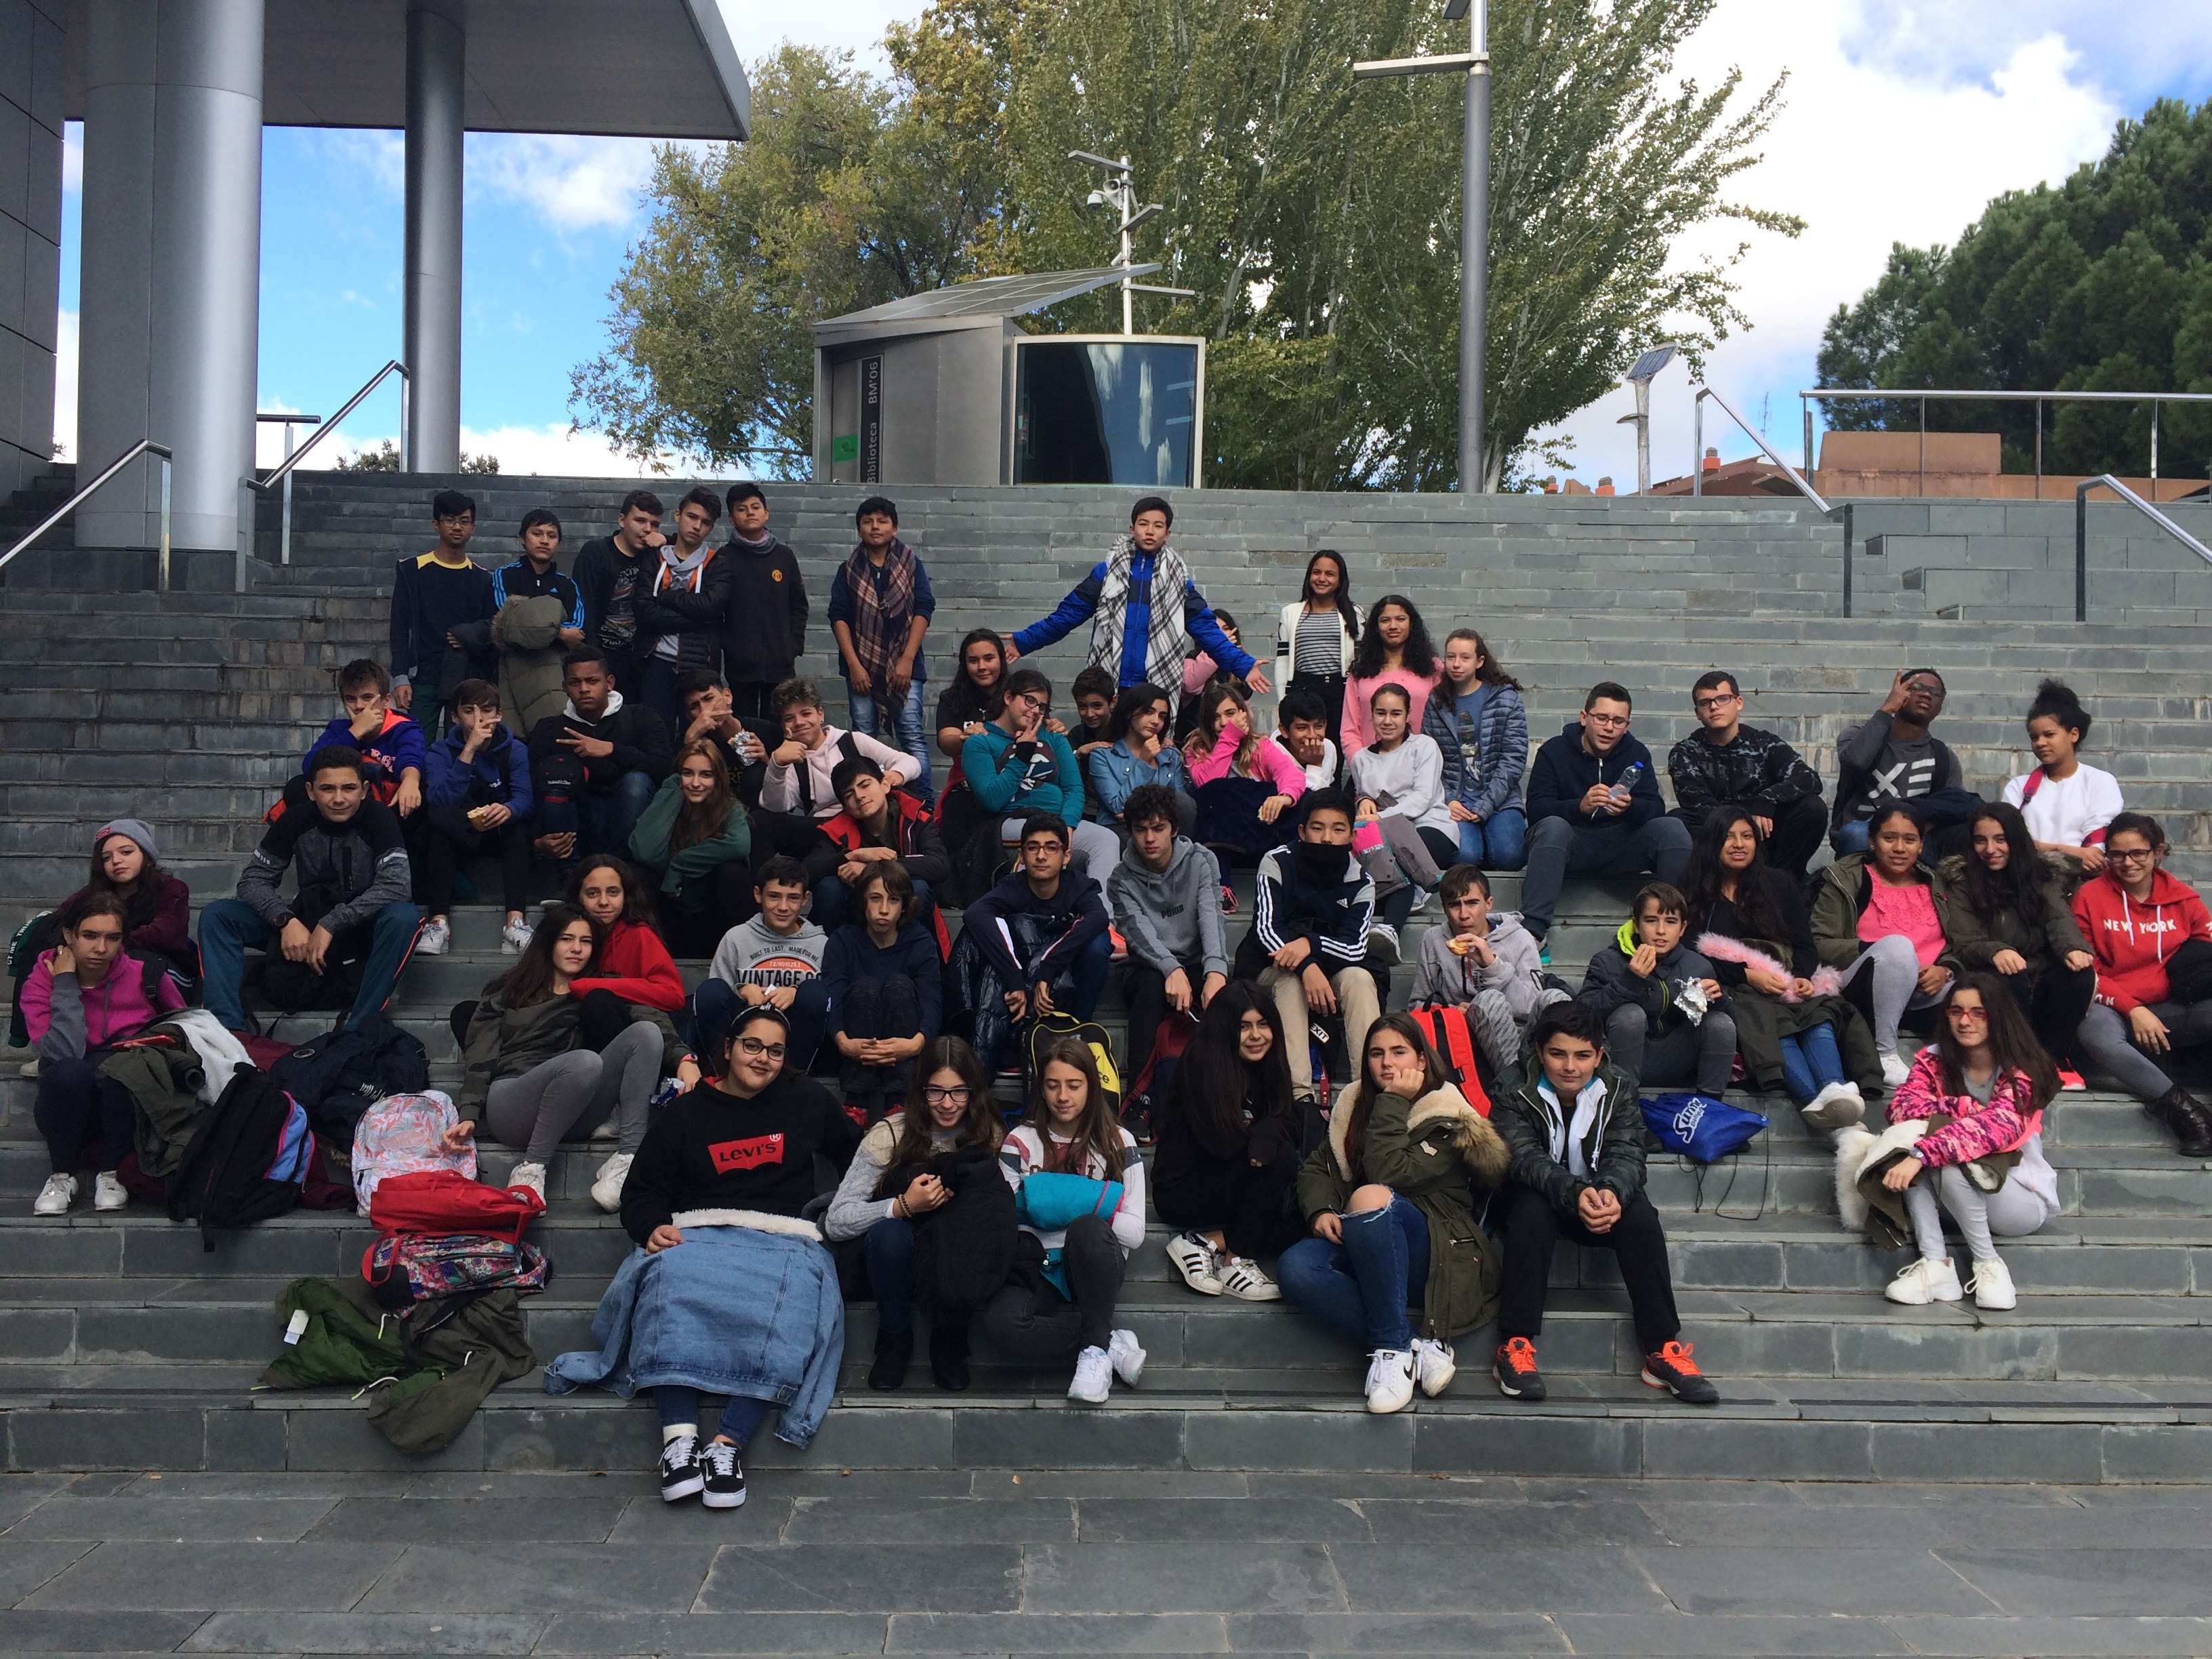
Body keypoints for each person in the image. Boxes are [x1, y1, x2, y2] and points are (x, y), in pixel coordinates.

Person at [606, 1004, 861, 1507]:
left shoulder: (808, 1100)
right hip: (698, 1233)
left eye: (775, 1051)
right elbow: (642, 1191)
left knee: (794, 1299)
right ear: (727, 1047)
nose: (763, 1058)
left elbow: (858, 1159)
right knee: (666, 1279)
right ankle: (679, 1441)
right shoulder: (684, 1114)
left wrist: (845, 1209)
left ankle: (727, 1445)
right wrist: (651, 1226)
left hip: (782, 1237)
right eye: (752, 1045)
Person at [1491, 1002, 1719, 1406]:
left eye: (1582, 1056)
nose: (1570, 1067)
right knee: (1530, 1213)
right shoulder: (1513, 1087)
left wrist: (1612, 1191)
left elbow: (1628, 1152)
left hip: (1598, 1197)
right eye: (1558, 1054)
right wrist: (1573, 1192)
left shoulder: (1619, 1087)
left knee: (1640, 1218)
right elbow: (1522, 1158)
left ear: (1599, 1055)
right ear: (1540, 1051)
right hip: (1536, 1197)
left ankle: (1662, 1349)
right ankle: (1515, 1343)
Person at [1279, 1014, 1507, 1413]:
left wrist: (1393, 1102)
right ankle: (1411, 1343)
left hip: (1435, 1251)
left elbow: (1391, 1173)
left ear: (1421, 1059)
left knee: (1370, 1196)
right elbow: (1318, 1168)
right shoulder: (1354, 1104)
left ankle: (1389, 1352)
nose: (1387, 1063)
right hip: (1366, 1242)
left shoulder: (1447, 1115)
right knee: (1296, 1268)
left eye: (1399, 1052)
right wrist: (1321, 1209)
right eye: (1376, 1053)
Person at [454, 903, 695, 1209]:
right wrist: (469, 1113)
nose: (577, 949)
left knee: (645, 1032)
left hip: (577, 1109)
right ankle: (530, 1170)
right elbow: (480, 1055)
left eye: (586, 941)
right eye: (567, 939)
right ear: (548, 942)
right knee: (585, 1061)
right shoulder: (509, 990)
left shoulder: (600, 984)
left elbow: (653, 1018)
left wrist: (685, 1059)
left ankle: (628, 1161)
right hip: (513, 1102)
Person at [198, 746, 421, 1036]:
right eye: (327, 789)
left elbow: (397, 886)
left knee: (404, 917)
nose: (339, 798)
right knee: (219, 915)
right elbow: (253, 879)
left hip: (361, 926)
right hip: (304, 922)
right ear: (311, 791)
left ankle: (361, 1026)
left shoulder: (379, 819)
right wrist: (284, 920)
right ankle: (225, 1027)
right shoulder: (295, 820)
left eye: (349, 788)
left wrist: (332, 923)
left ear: (365, 790)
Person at [823, 1036, 1003, 1391]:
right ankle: (895, 1338)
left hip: (959, 1256)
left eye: (959, 1092)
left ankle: (950, 1338)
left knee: (971, 1225)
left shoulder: (989, 1135)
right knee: (889, 1235)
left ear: (974, 1093)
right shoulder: (889, 1135)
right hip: (895, 1258)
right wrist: (902, 1206)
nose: (947, 1104)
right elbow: (837, 1219)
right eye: (936, 1092)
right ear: (921, 1091)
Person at [1875, 976, 2060, 1311]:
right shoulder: (1932, 1061)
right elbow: (1901, 1110)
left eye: (1978, 1013)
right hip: (1954, 1196)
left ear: (1997, 1016)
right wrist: (1963, 1108)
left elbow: (1996, 1129)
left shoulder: (2023, 1069)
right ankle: (1936, 1266)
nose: (1965, 1021)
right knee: (1914, 1143)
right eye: (1956, 1011)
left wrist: (1924, 1152)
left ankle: (1989, 1265)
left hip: (2018, 1197)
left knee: (1941, 1157)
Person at [1681, 808, 1868, 1130]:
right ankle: (1824, 1111)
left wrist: (1802, 977)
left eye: (1747, 836)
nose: (1739, 844)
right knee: (1774, 1026)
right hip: (1738, 990)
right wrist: (1746, 975)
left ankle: (1834, 1091)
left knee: (1818, 1018)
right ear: (1712, 843)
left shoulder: (1779, 884)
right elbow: (1688, 952)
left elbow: (1805, 944)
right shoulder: (1693, 891)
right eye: (1728, 837)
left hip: (1786, 981)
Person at [985, 1037, 1148, 1405]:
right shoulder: (1019, 1140)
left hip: (1093, 1264)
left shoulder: (1119, 1141)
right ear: (1040, 1088)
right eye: (1052, 1085)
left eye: (1074, 1085)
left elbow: (1135, 1232)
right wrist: (1098, 1200)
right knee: (1000, 1325)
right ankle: (1103, 1343)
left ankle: (1095, 1348)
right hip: (1036, 1265)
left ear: (1091, 1086)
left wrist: (1050, 1201)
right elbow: (1008, 1217)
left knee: (1087, 1230)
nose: (1063, 1096)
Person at [1006, 495, 1264, 718]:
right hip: (1110, 682)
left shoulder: (1179, 578)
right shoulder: (1108, 571)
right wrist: (1025, 641)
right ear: (1132, 529)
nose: (1150, 531)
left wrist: (1242, 665)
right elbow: (1069, 614)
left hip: (1155, 684)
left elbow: (1206, 629)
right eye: (1143, 524)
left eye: (1158, 526)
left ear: (1167, 534)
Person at [25, 893, 185, 1214]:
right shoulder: (43, 978)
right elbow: (65, 1051)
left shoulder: (147, 975)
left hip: (128, 1105)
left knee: (122, 1069)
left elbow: (184, 1030)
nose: (101, 948)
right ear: (69, 935)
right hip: (67, 1104)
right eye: (90, 936)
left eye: (112, 938)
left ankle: (112, 1173)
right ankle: (63, 1175)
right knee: (67, 1071)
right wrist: (65, 983)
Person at [2070, 812, 2212, 1154]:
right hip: (2110, 1004)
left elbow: (2205, 954)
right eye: (2117, 854)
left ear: (2157, 852)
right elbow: (2087, 969)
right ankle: (2190, 1115)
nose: (2128, 863)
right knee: (2097, 1035)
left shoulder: (2184, 900)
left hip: (2171, 1007)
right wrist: (2133, 1009)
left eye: (2138, 853)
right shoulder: (2089, 897)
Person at [1155, 983, 1307, 1302]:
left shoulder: (1268, 1063)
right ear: (1225, 1028)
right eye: (1244, 1026)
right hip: (1184, 1190)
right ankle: (1236, 1260)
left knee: (1306, 1221)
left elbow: (1290, 1120)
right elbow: (1223, 1144)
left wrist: (1268, 1131)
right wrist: (1267, 1137)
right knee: (1281, 1159)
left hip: (1238, 1179)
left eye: (1263, 1024)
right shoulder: (1201, 1063)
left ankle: (1206, 1242)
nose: (1256, 1035)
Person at [1520, 682, 1690, 949]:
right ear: (1584, 717)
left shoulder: (1637, 753)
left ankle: (1680, 931)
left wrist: (1630, 807)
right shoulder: (1554, 752)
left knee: (1673, 829)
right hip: (1571, 842)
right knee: (1552, 827)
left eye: (1618, 721)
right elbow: (1536, 811)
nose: (1609, 728)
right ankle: (1532, 933)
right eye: (1602, 718)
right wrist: (1579, 807)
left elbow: (1655, 808)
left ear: (1627, 725)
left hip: (1621, 844)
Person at [1244, 790, 1382, 1107]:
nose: (1327, 838)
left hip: (1332, 973)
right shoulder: (1277, 862)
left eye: (1338, 829)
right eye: (1318, 828)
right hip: (1272, 968)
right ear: (1302, 831)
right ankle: (1298, 1097)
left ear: (1352, 835)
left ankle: (1369, 1095)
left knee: (1360, 979)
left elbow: (1355, 947)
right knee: (1291, 984)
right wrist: (1306, 967)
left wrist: (1311, 944)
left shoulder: (1362, 882)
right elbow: (1267, 932)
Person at [11, 819, 194, 1056]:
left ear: (147, 856)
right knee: (46, 928)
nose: (116, 861)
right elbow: (62, 922)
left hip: (166, 970)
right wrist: (66, 952)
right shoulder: (95, 894)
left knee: (130, 959)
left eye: (126, 852)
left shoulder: (171, 889)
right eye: (107, 858)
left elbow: (164, 935)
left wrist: (109, 942)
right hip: (112, 968)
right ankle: (44, 1038)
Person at [1944, 802, 2096, 1080]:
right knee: (2005, 978)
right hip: (1990, 970)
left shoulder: (2042, 875)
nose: (1990, 849)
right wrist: (1996, 951)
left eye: (2000, 839)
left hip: (2037, 967)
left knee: (2078, 974)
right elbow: (1965, 941)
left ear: (2016, 839)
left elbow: (2058, 919)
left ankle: (2054, 1057)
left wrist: (2073, 948)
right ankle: (2017, 1058)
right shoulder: (1962, 880)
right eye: (1981, 840)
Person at [1811, 804, 1959, 1086]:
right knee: (1898, 948)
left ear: (1921, 845)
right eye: (1889, 838)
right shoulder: (1846, 878)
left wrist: (1945, 970)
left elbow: (1958, 941)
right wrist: (1873, 950)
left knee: (1984, 986)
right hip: (1865, 987)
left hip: (1925, 993)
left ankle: (1961, 1063)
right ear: (1872, 841)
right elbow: (1820, 942)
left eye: (1910, 840)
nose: (1899, 848)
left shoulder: (1936, 884)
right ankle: (1885, 1053)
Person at [954, 815, 1113, 1068]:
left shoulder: (1078, 885)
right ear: (1021, 855)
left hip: (1062, 968)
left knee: (1098, 944)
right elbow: (975, 914)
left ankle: (1078, 1024)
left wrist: (1048, 968)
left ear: (1066, 856)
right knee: (978, 934)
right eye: (1033, 848)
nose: (1041, 856)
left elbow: (1099, 918)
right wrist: (1014, 978)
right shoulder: (1013, 886)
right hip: (1022, 974)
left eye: (1051, 848)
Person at [1108, 785, 1229, 1113]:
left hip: (1195, 960)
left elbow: (1210, 916)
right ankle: (1140, 1101)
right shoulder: (1120, 879)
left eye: (1158, 828)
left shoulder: (1202, 860)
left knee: (1226, 996)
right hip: (1147, 966)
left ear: (1174, 829)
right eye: (1140, 829)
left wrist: (1216, 971)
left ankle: (1226, 1097)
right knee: (1149, 988)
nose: (1149, 838)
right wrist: (1171, 968)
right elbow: (1139, 934)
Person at [960, 669, 1120, 912]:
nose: (1035, 710)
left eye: (1042, 706)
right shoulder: (981, 742)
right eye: (1029, 700)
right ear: (1008, 697)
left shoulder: (1053, 737)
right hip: (1010, 821)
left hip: (1057, 820)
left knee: (1106, 840)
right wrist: (1022, 755)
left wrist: (1067, 823)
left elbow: (1074, 788)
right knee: (1039, 842)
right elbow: (991, 799)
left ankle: (1102, 922)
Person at [1666, 669, 1826, 882]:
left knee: (1812, 807)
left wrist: (1767, 799)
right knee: (1676, 820)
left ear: (1738, 702)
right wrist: (1743, 826)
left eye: (1722, 699)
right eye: (1705, 703)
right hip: (1719, 839)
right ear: (1697, 713)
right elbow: (1698, 803)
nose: (1714, 707)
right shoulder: (1684, 753)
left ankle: (1783, 882)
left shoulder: (1764, 743)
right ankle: (1707, 886)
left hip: (1768, 840)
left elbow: (1809, 778)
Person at [413, 680, 535, 958]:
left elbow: (525, 797)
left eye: (487, 710)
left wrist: (509, 810)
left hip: (499, 830)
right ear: (455, 717)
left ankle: (515, 923)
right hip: (458, 831)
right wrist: (467, 752)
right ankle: (438, 923)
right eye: (469, 711)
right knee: (438, 824)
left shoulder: (515, 749)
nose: (479, 719)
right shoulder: (441, 751)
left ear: (499, 715)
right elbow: (439, 798)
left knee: (518, 827)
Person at [1408, 864, 1565, 1080]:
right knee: (1488, 1000)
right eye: (1454, 905)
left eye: (1472, 903)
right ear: (1444, 908)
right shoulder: (1433, 939)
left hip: (1522, 1033)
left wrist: (1491, 966)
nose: (1464, 915)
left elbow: (1531, 1005)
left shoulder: (1519, 937)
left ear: (1488, 904)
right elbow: (1418, 1005)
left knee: (1557, 998)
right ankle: (1514, 1086)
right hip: (1465, 1035)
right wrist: (1453, 1012)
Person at [1577, 883, 1735, 1097]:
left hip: (1679, 1058)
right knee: (1630, 1015)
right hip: (1621, 1060)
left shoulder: (1699, 966)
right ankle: (1624, 1103)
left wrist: (1720, 1000)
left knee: (1721, 1023)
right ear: (1636, 925)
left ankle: (1708, 1106)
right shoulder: (1608, 961)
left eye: (1671, 922)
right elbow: (1582, 1017)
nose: (1661, 930)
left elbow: (1730, 1025)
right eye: (1651, 921)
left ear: (1682, 928)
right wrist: (1629, 981)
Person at [829, 495, 937, 804]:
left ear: (895, 528)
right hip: (861, 667)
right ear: (859, 529)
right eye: (868, 521)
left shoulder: (911, 565)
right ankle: (872, 805)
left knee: (912, 735)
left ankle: (925, 809)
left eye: (882, 521)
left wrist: (907, 660)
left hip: (906, 665)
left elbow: (924, 608)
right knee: (864, 737)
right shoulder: (848, 570)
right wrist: (855, 666)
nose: (875, 526)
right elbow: (838, 616)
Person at [529, 648, 675, 871]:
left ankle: (616, 871)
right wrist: (536, 840)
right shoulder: (549, 729)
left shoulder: (641, 717)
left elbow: (665, 768)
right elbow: (531, 786)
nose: (584, 689)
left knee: (636, 782)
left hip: (628, 815)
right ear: (565, 687)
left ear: (609, 683)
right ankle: (571, 873)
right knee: (555, 774)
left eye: (592, 681)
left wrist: (613, 750)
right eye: (575, 682)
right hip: (578, 816)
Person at [822, 863, 943, 1122]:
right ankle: (857, 1105)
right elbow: (833, 996)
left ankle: (898, 1103)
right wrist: (842, 1041)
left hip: (906, 1048)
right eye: (875, 898)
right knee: (865, 988)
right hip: (853, 1046)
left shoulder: (920, 941)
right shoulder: (843, 940)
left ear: (905, 905)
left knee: (899, 986)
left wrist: (916, 1043)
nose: (884, 909)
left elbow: (932, 1000)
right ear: (862, 902)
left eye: (894, 900)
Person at [699, 857, 828, 1075]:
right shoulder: (736, 938)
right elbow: (716, 998)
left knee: (815, 992)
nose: (783, 907)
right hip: (744, 1031)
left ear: (805, 899)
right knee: (710, 990)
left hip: (794, 1036)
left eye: (793, 898)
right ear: (758, 895)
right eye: (774, 896)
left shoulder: (822, 945)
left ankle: (794, 1077)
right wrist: (742, 991)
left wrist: (797, 993)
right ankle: (724, 1075)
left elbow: (828, 1005)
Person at [1830, 669, 1979, 855]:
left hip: (1916, 835)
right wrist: (1888, 708)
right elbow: (1856, 762)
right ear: (1899, 693)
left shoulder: (1943, 757)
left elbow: (1952, 806)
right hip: (1865, 831)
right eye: (1917, 687)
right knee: (1856, 834)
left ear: (1940, 707)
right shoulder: (1856, 736)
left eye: (1935, 693)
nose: (1926, 695)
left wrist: (1912, 833)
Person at [628, 740, 753, 958]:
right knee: (639, 874)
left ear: (718, 778)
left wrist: (680, 864)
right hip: (669, 915)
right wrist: (672, 790)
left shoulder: (731, 809)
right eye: (687, 773)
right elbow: (645, 851)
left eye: (706, 775)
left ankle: (739, 957)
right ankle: (648, 958)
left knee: (733, 872)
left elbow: (739, 845)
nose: (695, 783)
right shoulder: (669, 803)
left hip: (711, 917)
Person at [1349, 682, 1456, 932]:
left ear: (1408, 716)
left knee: (1395, 857)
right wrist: (1363, 800)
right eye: (1381, 713)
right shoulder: (1361, 759)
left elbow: (1422, 799)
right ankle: (1390, 929)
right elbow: (1364, 795)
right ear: (1371, 715)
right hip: (1384, 837)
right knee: (1388, 858)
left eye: (1396, 713)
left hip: (1429, 827)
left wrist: (1379, 817)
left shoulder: (1424, 746)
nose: (1388, 721)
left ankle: (1390, 926)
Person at [1422, 629, 1528, 871]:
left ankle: (1489, 843)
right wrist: (1448, 799)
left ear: (1480, 661)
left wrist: (1485, 806)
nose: (1456, 664)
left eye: (1465, 658)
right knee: (1465, 856)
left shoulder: (1505, 699)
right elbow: (1429, 760)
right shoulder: (1436, 702)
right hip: (1456, 801)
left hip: (1500, 800)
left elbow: (1513, 759)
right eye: (1451, 657)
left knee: (1510, 857)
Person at [630, 486, 732, 739]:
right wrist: (697, 618)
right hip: (656, 660)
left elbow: (710, 607)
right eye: (692, 517)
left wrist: (666, 597)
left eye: (705, 522)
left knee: (700, 738)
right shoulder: (654, 559)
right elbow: (644, 612)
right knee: (656, 735)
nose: (697, 526)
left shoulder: (718, 564)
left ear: (711, 528)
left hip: (699, 663)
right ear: (678, 515)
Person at [809, 755, 951, 933]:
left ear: (885, 785)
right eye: (849, 794)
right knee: (829, 888)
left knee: (919, 888)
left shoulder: (916, 817)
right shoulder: (838, 827)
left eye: (865, 785)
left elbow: (939, 865)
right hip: (855, 911)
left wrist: (871, 867)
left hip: (900, 905)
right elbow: (808, 871)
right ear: (845, 806)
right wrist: (852, 855)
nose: (859, 796)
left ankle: (912, 949)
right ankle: (833, 948)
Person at [476, 508, 584, 737]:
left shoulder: (567, 584)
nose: (545, 541)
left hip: (554, 671)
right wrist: (557, 633)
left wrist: (536, 628)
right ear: (522, 539)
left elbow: (576, 628)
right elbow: (507, 621)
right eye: (537, 533)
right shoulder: (504, 576)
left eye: (552, 536)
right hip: (512, 668)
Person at [388, 489, 493, 727]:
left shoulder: (482, 578)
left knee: (461, 744)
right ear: (436, 524)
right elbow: (400, 626)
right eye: (450, 520)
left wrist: (468, 635)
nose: (457, 527)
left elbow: (491, 626)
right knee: (417, 743)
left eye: (464, 521)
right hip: (421, 677)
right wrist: (400, 676)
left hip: (464, 677)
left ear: (473, 528)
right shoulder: (412, 570)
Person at [2002, 678, 2123, 876]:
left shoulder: (2100, 782)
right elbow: (2009, 841)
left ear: (2074, 734)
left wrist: (2037, 847)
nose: (2040, 743)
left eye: (2049, 734)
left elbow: (2095, 852)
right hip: (2029, 880)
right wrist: (2066, 851)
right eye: (2034, 737)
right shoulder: (2017, 787)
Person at [760, 676, 916, 823]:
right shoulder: (788, 762)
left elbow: (911, 762)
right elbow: (774, 806)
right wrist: (777, 765)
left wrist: (894, 776)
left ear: (820, 715)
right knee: (762, 821)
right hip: (824, 829)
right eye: (789, 718)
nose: (799, 722)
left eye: (806, 714)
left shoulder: (852, 741)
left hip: (866, 821)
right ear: (783, 725)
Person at [719, 482, 808, 720]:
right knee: (744, 727)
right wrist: (732, 647)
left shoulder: (784, 556)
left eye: (756, 507)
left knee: (780, 725)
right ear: (731, 518)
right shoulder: (724, 559)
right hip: (741, 666)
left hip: (780, 663)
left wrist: (793, 646)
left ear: (766, 513)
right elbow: (716, 612)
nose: (750, 513)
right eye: (742, 509)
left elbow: (799, 606)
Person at [1187, 680, 1305, 859]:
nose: (1223, 723)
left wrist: (1285, 797)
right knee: (1218, 791)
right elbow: (1208, 785)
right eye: (1215, 717)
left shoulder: (1260, 745)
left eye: (1230, 714)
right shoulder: (1196, 749)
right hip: (1220, 831)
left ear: (1243, 714)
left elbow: (1289, 772)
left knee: (1305, 798)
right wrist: (1230, 737)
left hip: (1258, 823)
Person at [302, 659, 425, 818]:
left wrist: (410, 781)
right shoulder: (339, 729)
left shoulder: (404, 728)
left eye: (367, 698)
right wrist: (355, 732)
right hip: (347, 803)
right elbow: (310, 767)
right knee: (298, 787)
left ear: (386, 701)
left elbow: (412, 756)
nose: (359, 706)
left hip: (392, 806)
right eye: (351, 699)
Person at [573, 489, 665, 701]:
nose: (647, 530)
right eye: (640, 521)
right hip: (604, 656)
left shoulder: (656, 556)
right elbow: (585, 606)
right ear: (622, 520)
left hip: (641, 661)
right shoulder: (596, 553)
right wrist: (593, 662)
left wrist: (666, 543)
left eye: (654, 524)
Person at [565, 856, 686, 1015]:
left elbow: (673, 995)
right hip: (566, 1022)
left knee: (599, 1001)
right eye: (592, 893)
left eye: (613, 892)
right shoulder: (563, 931)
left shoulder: (639, 934)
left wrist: (587, 986)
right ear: (578, 897)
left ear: (626, 896)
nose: (603, 902)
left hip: (622, 1022)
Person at [933, 628, 1010, 856]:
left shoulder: (1018, 695)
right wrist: (965, 737)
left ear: (1001, 659)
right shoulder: (951, 698)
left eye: (989, 658)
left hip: (1012, 784)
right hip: (966, 787)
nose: (982, 667)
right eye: (973, 661)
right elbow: (946, 741)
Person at [1274, 549, 1361, 741]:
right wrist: (1283, 700)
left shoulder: (1355, 613)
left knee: (1336, 748)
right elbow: (1283, 659)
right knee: (1303, 747)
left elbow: (1362, 659)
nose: (1322, 579)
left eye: (1330, 574)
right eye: (1317, 572)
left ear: (1340, 581)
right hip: (1302, 688)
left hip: (1339, 691)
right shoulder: (1290, 613)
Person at [1340, 594, 1439, 760]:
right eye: (1385, 620)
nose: (1393, 626)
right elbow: (1349, 730)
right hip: (1371, 766)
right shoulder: (1360, 673)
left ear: (1411, 624)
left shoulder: (1433, 669)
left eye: (1400, 619)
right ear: (1376, 627)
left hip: (1421, 765)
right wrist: (1362, 765)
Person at [1087, 684, 1193, 832]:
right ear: (1129, 713)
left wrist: (1140, 812)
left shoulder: (1170, 755)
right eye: (1149, 712)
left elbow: (1182, 807)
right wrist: (1144, 762)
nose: (1156, 721)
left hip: (1163, 832)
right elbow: (1118, 807)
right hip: (1118, 831)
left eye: (1162, 716)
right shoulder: (1102, 756)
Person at [1277, 686, 1341, 792]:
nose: (1312, 735)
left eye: (1318, 726)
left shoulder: (1328, 748)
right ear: (1284, 730)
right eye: (1302, 728)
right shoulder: (1270, 756)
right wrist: (1315, 765)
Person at [1069, 665, 1119, 767]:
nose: (1090, 714)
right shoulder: (1076, 735)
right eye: (1083, 706)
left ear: (1113, 702)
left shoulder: (1126, 732)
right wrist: (1078, 754)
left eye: (1097, 706)